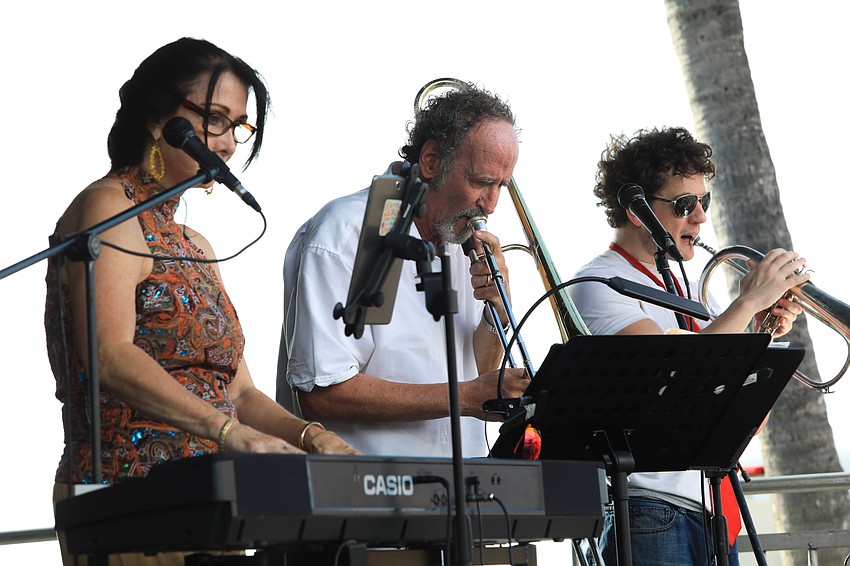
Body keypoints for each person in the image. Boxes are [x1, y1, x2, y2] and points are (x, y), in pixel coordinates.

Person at [46, 37, 357, 566]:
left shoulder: (196, 245)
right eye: (215, 119)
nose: (230, 143)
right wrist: (232, 434)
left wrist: (313, 438)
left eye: (238, 126)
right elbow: (111, 356)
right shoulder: (107, 209)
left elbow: (241, 391)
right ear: (158, 120)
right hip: (126, 493)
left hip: (210, 497)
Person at [569, 126, 808, 566]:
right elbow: (676, 381)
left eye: (704, 201)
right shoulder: (598, 284)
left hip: (712, 511)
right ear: (637, 210)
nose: (700, 217)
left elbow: (741, 420)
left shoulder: (693, 290)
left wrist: (761, 331)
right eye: (684, 205)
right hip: (649, 508)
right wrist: (748, 303)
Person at [277, 81, 530, 457]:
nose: (491, 205)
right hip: (367, 480)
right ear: (431, 161)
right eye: (481, 182)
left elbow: (477, 375)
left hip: (463, 479)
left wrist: (495, 315)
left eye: (501, 186)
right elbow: (322, 393)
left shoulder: (458, 236)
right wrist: (463, 397)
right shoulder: (359, 230)